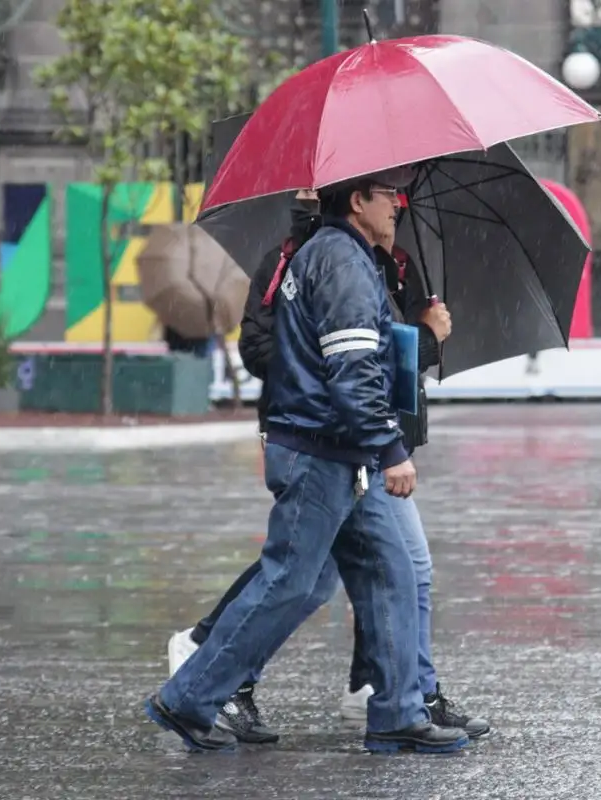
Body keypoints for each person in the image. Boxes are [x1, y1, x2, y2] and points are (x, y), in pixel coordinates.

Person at [145, 169, 468, 754]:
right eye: (387, 196)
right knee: (289, 584)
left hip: (337, 449)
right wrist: (391, 449)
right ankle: (189, 698)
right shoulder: (342, 262)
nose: (397, 205)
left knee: (392, 572)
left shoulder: (348, 257)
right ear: (357, 201)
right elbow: (353, 373)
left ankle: (398, 713)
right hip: (321, 451)